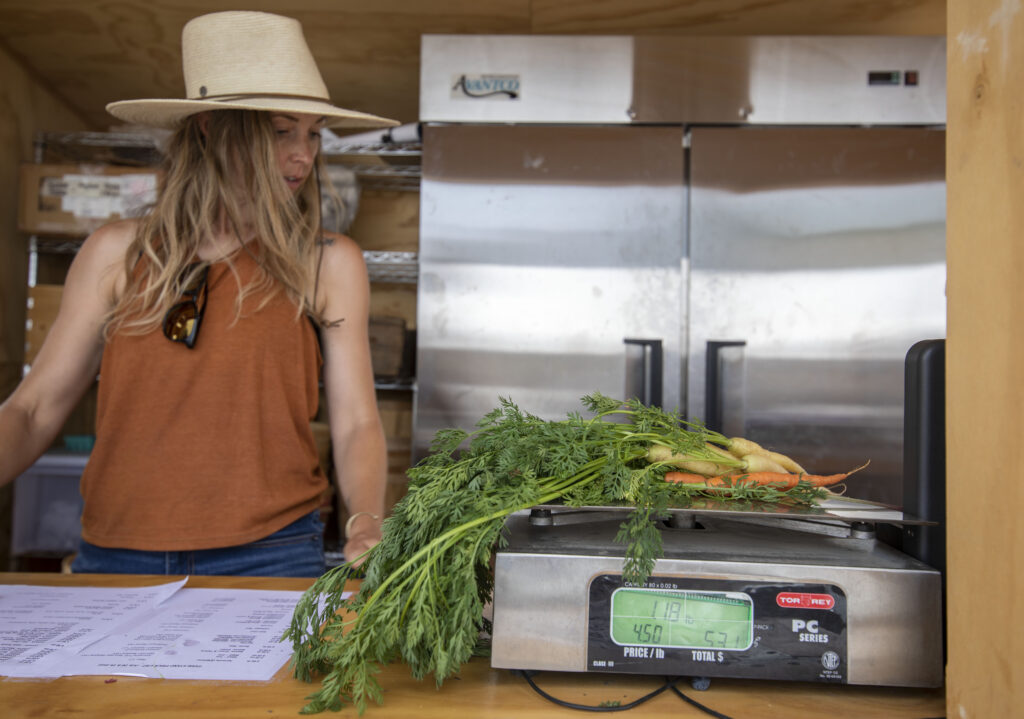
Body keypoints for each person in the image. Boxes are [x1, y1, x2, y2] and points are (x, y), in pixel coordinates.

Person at [0, 11, 400, 576]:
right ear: (214, 129)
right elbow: (34, 408)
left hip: (274, 553)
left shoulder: (328, 263)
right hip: (117, 553)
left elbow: (357, 420)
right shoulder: (117, 252)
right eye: (282, 131)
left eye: (313, 134)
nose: (303, 156)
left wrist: (366, 519)